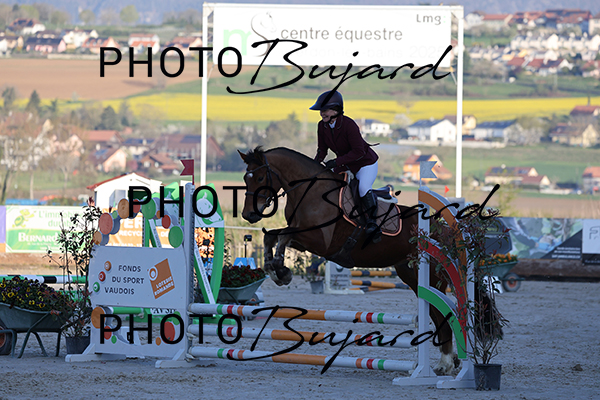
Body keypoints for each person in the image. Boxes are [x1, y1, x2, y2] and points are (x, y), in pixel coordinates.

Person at [310, 90, 381, 242]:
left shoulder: (349, 125)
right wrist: (314, 166)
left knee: (362, 188)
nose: (321, 113)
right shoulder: (322, 126)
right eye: (321, 110)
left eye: (325, 110)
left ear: (336, 110)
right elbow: (322, 150)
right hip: (345, 164)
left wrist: (336, 162)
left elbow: (358, 151)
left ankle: (372, 223)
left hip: (365, 163)